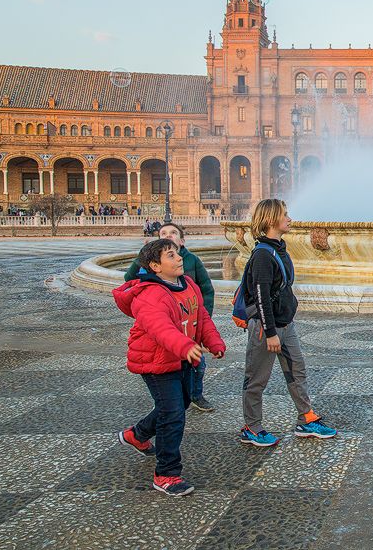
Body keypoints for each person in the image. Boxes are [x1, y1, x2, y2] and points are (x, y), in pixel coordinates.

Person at [113, 238, 225, 496]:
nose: (178, 258)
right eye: (171, 256)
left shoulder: (189, 285)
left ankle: (137, 434)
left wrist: (214, 341)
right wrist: (185, 346)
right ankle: (166, 473)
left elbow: (201, 318)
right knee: (173, 414)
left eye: (177, 254)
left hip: (182, 358)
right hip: (155, 362)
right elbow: (160, 328)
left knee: (179, 404)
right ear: (155, 266)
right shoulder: (150, 295)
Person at [239, 198, 337, 446]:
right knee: (257, 378)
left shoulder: (279, 247)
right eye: (285, 215)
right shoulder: (263, 254)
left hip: (285, 324)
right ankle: (252, 426)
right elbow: (261, 296)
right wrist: (270, 332)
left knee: (297, 370)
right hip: (266, 328)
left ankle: (306, 418)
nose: (290, 219)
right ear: (272, 220)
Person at [125, 222, 217, 411]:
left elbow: (206, 290)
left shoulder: (192, 261)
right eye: (163, 233)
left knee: (198, 366)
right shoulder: (153, 265)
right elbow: (129, 278)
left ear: (182, 241)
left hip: (190, 325)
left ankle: (196, 395)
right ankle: (172, 402)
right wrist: (143, 254)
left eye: (173, 233)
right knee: (171, 365)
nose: (168, 235)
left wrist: (203, 319)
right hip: (167, 325)